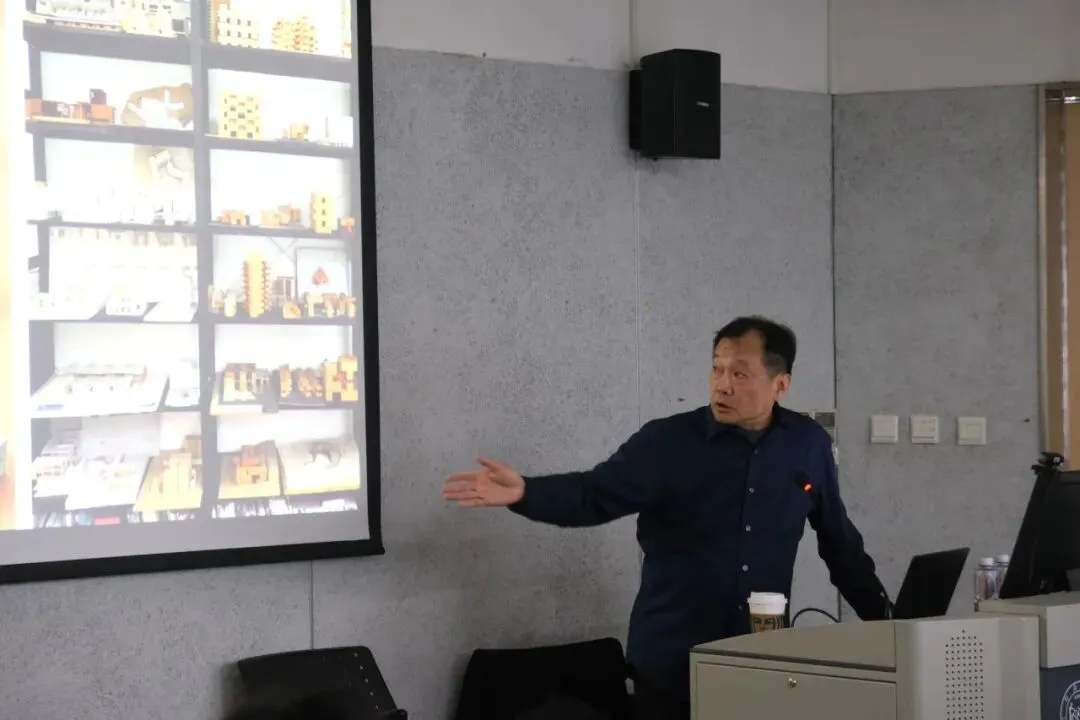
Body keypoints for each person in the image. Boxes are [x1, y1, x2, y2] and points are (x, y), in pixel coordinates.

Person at [443, 316, 889, 720]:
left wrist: (890, 625)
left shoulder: (807, 445)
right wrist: (526, 491)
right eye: (716, 369)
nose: (722, 385)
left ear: (780, 384)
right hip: (673, 663)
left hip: (761, 659)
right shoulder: (668, 442)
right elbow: (594, 495)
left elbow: (839, 543)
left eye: (739, 374)